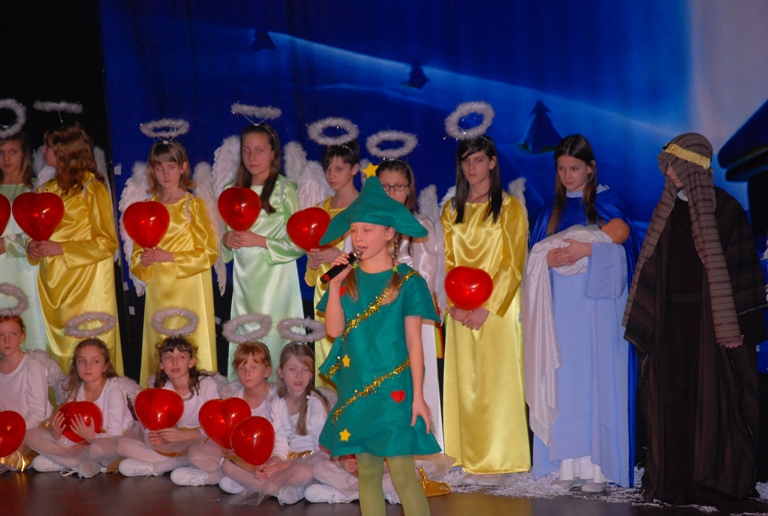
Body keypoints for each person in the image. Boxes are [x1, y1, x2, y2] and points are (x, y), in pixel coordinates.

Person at [623, 133, 767, 504]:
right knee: (670, 399)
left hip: (711, 325)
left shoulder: (726, 210)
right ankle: (673, 480)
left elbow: (743, 270)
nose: (669, 173)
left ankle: (713, 481)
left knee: (715, 400)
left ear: (693, 167)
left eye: (675, 166)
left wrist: (744, 327)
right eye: (667, 167)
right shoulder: (665, 211)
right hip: (669, 322)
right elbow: (650, 266)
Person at [317, 175, 440, 516]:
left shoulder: (408, 283)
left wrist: (418, 396)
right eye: (354, 230)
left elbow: (415, 342)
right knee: (368, 473)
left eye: (367, 230)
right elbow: (333, 329)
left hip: (393, 391)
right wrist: (336, 286)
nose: (358, 237)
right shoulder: (348, 281)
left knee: (403, 475)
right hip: (357, 386)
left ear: (389, 233)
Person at [526, 134, 640, 492]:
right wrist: (547, 259)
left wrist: (587, 250)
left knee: (596, 382)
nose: (567, 175)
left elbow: (626, 250)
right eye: (561, 168)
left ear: (591, 167)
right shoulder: (550, 210)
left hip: (598, 312)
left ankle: (597, 469)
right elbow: (533, 261)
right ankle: (566, 465)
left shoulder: (608, 203)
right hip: (561, 313)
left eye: (574, 168)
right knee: (565, 383)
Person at [441, 135, 528, 484]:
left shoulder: (508, 207)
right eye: (466, 161)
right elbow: (447, 261)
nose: (471, 167)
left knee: (497, 380)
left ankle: (500, 459)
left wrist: (486, 308)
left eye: (478, 159)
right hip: (460, 308)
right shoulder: (451, 209)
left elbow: (513, 262)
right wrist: (454, 305)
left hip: (496, 309)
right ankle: (467, 456)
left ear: (492, 162)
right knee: (466, 381)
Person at [27, 122, 122, 373]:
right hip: (53, 284)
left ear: (64, 152)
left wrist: (62, 249)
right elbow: (36, 234)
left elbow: (107, 242)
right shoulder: (45, 189)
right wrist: (32, 248)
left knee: (87, 345)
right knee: (58, 351)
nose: (43, 152)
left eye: (48, 147)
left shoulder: (92, 189)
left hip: (84, 284)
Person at [131, 141, 218, 385]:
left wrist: (168, 257)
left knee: (191, 343)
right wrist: (145, 261)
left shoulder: (192, 206)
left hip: (189, 290)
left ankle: (199, 395)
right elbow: (136, 258)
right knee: (161, 346)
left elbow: (208, 254)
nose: (165, 174)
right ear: (152, 170)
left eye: (171, 166)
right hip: (159, 291)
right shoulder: (147, 208)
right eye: (159, 168)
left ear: (183, 167)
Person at [222, 124, 304, 381]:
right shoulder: (231, 191)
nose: (252, 157)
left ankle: (283, 391)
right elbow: (227, 240)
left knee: (276, 336)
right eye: (247, 150)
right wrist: (227, 241)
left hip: (276, 281)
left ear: (273, 153)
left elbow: (299, 243)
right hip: (245, 282)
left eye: (259, 150)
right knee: (246, 338)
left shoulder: (284, 189)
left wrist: (259, 240)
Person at [375, 159, 445, 449]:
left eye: (398, 186)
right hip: (376, 318)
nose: (391, 193)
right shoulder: (368, 226)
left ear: (409, 190)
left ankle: (420, 447)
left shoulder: (419, 227)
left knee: (416, 379)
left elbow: (424, 279)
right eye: (384, 187)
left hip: (410, 316)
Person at [220, 343, 331, 505]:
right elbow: (280, 441)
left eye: (305, 370)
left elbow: (323, 450)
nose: (299, 376)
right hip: (286, 460)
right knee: (228, 465)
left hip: (310, 461)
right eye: (292, 369)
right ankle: (281, 491)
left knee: (303, 472)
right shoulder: (277, 402)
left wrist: (285, 466)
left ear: (312, 374)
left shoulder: (314, 403)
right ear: (280, 372)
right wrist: (275, 462)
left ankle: (260, 487)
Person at [171, 341, 277, 487]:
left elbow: (279, 436)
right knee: (196, 452)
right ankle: (234, 478)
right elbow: (227, 434)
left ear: (267, 371)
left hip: (266, 455)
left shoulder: (275, 398)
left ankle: (213, 478)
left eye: (253, 368)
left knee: (230, 465)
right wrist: (230, 449)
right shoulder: (234, 398)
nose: (247, 373)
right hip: (237, 455)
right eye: (242, 368)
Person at [27, 338, 134, 478]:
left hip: (108, 444)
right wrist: (58, 436)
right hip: (80, 446)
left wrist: (92, 437)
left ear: (105, 366)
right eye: (82, 361)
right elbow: (71, 434)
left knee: (98, 449)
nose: (88, 367)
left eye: (95, 361)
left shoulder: (113, 390)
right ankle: (84, 465)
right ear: (75, 365)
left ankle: (72, 463)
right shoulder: (75, 390)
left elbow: (116, 434)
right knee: (31, 435)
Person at [117, 336, 220, 477]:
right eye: (168, 357)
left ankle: (157, 467)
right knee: (122, 445)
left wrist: (187, 435)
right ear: (161, 364)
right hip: (174, 443)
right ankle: (175, 464)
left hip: (203, 440)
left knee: (196, 453)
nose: (175, 362)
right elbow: (154, 425)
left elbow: (216, 427)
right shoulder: (162, 390)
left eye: (181, 357)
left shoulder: (206, 385)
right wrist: (157, 438)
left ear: (191, 362)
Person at [305, 141, 359, 389]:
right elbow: (314, 255)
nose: (332, 175)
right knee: (325, 353)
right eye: (328, 168)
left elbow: (374, 256)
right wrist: (314, 260)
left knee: (351, 354)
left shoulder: (363, 208)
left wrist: (338, 254)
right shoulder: (321, 209)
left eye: (339, 168)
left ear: (355, 169)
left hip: (352, 292)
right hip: (324, 290)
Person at [0, 132, 47, 351]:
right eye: (1, 152)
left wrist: (7, 244)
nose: (6, 158)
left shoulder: (36, 189)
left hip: (26, 269)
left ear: (24, 154)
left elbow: (42, 232)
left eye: (13, 152)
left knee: (30, 319)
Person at [0, 314, 55, 471]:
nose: (7, 340)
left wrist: (16, 436)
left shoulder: (32, 366)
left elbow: (38, 412)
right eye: (1, 335)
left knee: (12, 462)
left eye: (13, 334)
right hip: (7, 431)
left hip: (32, 428)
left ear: (22, 336)